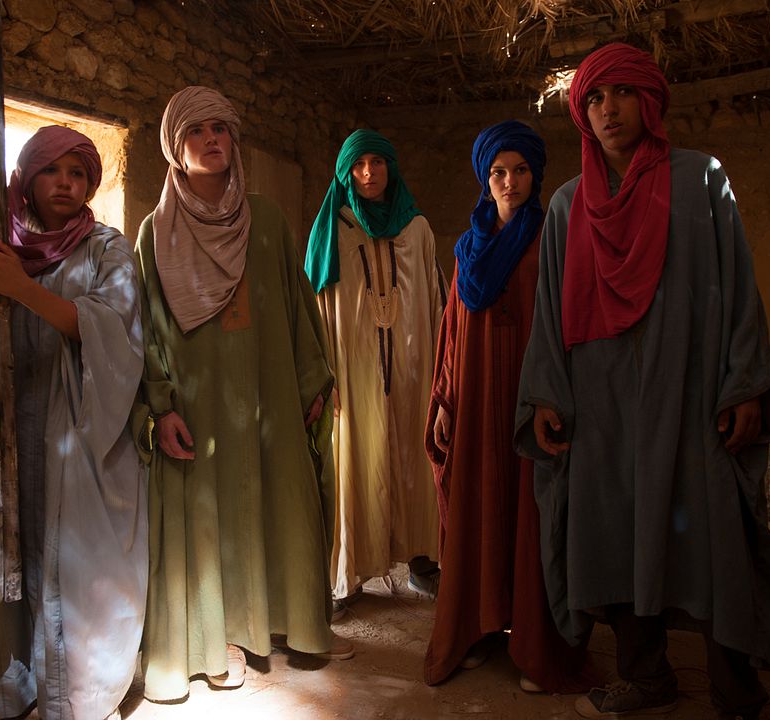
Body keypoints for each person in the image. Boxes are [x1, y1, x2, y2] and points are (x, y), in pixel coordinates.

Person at [513, 43, 770, 720]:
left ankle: (735, 683)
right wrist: (547, 392)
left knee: (714, 531)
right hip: (600, 409)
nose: (609, 110)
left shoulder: (701, 183)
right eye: (596, 98)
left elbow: (740, 291)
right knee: (611, 535)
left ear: (651, 101)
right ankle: (647, 675)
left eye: (623, 94)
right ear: (583, 113)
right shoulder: (568, 208)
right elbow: (549, 312)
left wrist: (744, 385)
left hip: (691, 397)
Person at [134, 86, 350, 703]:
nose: (211, 141)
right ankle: (214, 644)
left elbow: (298, 305)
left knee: (281, 498)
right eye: (196, 131)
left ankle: (288, 627)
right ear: (175, 148)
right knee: (209, 519)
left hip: (271, 394)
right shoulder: (155, 234)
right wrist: (162, 404)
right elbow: (148, 325)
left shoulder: (268, 218)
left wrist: (314, 380)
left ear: (234, 141)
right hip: (198, 408)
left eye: (220, 130)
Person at [0, 126, 146, 720]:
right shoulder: (1, 246)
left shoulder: (107, 248)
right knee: (19, 549)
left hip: (81, 429)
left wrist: (20, 288)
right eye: (51, 171)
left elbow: (113, 329)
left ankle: (80, 693)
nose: (65, 183)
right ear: (26, 179)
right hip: (18, 426)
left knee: (79, 560)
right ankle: (20, 679)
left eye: (77, 172)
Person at [424, 120, 596, 694]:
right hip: (475, 405)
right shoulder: (467, 250)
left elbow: (568, 323)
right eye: (498, 171)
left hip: (527, 403)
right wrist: (446, 399)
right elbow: (451, 332)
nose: (509, 181)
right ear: (484, 178)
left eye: (520, 170)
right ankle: (477, 631)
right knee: (480, 508)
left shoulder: (552, 238)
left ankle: (535, 644)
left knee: (530, 512)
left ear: (536, 175)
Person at [305, 129, 445, 609]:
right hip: (353, 371)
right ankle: (352, 574)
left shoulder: (417, 229)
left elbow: (437, 303)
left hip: (412, 370)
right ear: (346, 172)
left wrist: (440, 375)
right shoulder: (332, 230)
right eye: (359, 164)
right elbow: (316, 310)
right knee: (356, 460)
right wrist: (322, 377)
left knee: (414, 458)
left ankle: (423, 561)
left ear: (392, 168)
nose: (368, 173)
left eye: (378, 162)